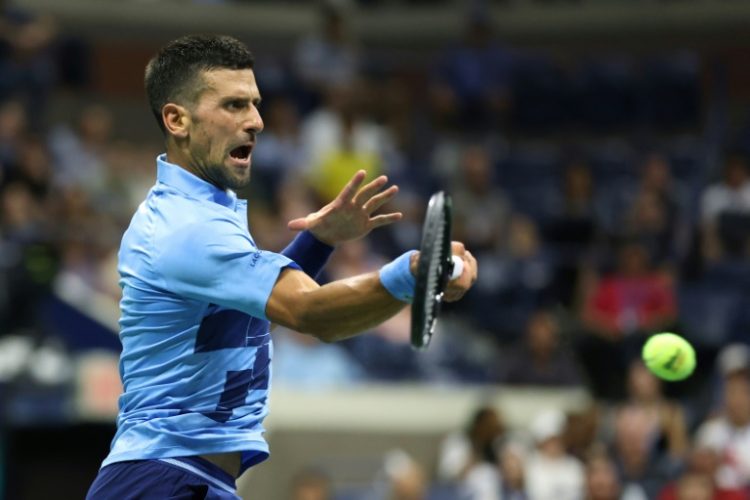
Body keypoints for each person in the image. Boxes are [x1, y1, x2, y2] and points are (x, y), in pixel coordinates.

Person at [85, 34, 477, 500]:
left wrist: (319, 241)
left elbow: (248, 309)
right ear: (177, 120)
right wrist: (412, 275)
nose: (255, 121)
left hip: (183, 479)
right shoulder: (186, 229)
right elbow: (309, 313)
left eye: (254, 104)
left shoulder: (203, 213)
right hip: (160, 480)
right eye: (233, 105)